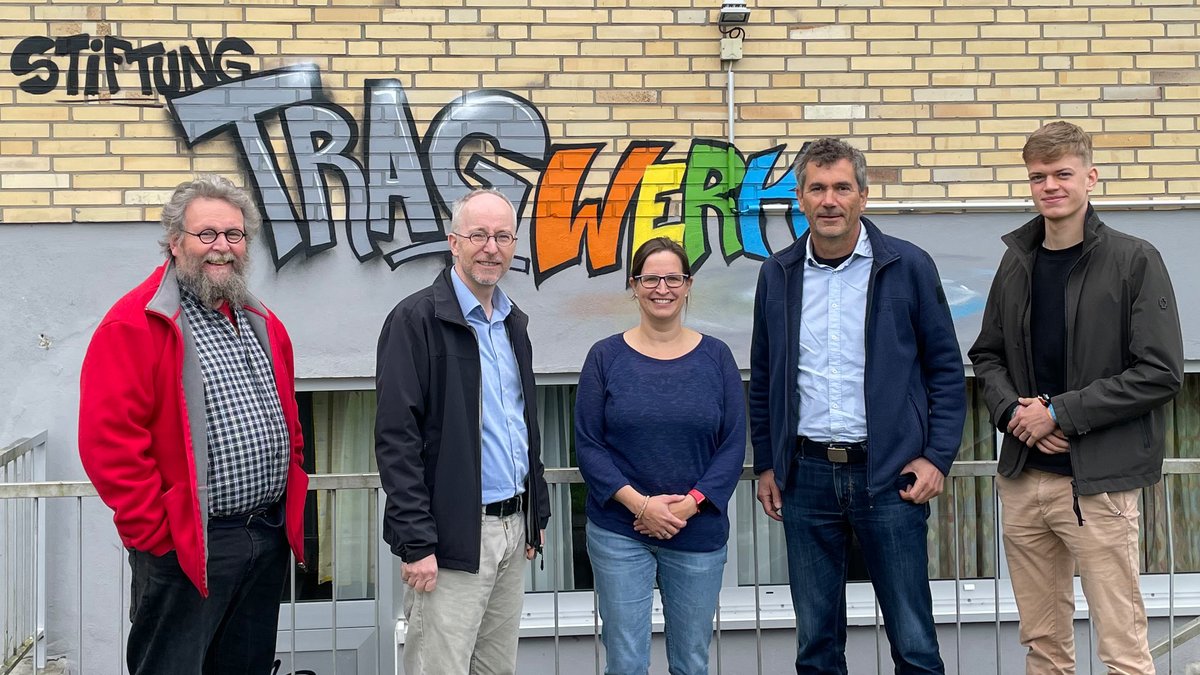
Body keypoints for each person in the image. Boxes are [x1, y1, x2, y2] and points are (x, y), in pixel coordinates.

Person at [968, 121, 1183, 674]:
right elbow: (986, 355)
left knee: (1123, 650)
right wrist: (1015, 414)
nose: (1050, 186)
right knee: (1044, 647)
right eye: (1038, 176)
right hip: (1024, 480)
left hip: (1099, 487)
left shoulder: (1135, 259)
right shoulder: (1016, 261)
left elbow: (1160, 373)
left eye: (1062, 173)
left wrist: (1059, 413)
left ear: (1091, 177)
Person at [749, 138, 966, 674]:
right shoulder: (777, 273)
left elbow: (945, 370)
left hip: (891, 476)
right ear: (799, 198)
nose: (830, 200)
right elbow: (764, 378)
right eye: (817, 188)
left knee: (914, 642)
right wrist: (768, 463)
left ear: (863, 196)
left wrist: (937, 457)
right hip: (806, 478)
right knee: (816, 646)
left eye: (842, 187)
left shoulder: (908, 266)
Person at [78, 175, 307, 674]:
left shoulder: (261, 321)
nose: (221, 246)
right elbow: (108, 445)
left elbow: (289, 420)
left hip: (263, 538)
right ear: (174, 241)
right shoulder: (136, 324)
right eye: (207, 234)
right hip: (188, 547)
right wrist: (159, 539)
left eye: (234, 234)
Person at [375, 188, 551, 675]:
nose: (491, 248)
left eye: (502, 236)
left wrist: (535, 511)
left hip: (513, 530)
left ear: (513, 245)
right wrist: (416, 542)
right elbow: (396, 439)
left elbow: (522, 423)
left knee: (496, 669)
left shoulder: (513, 323)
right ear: (453, 242)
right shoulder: (415, 320)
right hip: (451, 537)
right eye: (478, 235)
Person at [574, 236, 745, 675]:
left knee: (691, 663)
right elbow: (589, 446)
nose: (662, 288)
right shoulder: (605, 357)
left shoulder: (717, 357)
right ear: (634, 285)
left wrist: (688, 505)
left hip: (696, 530)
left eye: (673, 278)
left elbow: (732, 446)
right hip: (620, 531)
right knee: (626, 663)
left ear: (688, 285)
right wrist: (641, 505)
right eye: (650, 279)